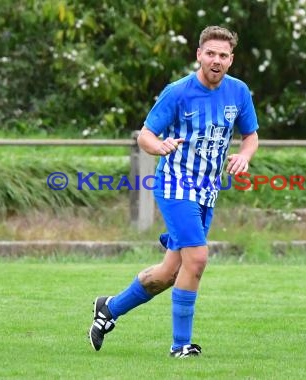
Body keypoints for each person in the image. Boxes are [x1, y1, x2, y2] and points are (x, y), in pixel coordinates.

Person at [88, 25, 259, 358]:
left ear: (231, 60)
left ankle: (109, 308)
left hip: (207, 190)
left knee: (170, 273)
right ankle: (180, 345)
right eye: (210, 53)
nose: (216, 60)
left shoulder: (239, 92)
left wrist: (244, 155)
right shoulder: (177, 92)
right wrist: (160, 146)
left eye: (223, 55)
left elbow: (250, 136)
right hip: (175, 184)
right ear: (199, 55)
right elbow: (145, 135)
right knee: (197, 259)